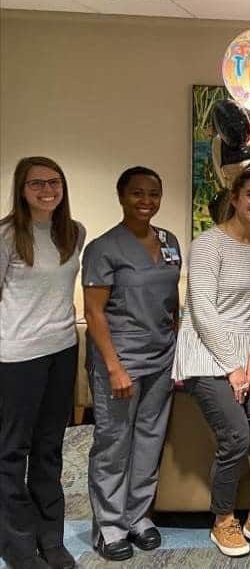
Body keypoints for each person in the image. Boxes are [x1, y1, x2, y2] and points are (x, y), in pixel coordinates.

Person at [172, 170, 250, 558]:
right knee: (237, 434)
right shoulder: (208, 245)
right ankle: (223, 519)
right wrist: (232, 367)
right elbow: (203, 312)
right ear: (235, 198)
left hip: (248, 353)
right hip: (205, 352)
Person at [82, 167, 181, 561]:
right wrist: (114, 366)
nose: (146, 201)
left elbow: (172, 300)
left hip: (162, 357)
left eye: (153, 193)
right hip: (120, 360)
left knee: (149, 439)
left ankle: (138, 516)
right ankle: (108, 525)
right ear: (121, 196)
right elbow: (94, 314)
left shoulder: (170, 241)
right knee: (113, 442)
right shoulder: (104, 248)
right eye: (137, 193)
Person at [0, 157, 84, 569]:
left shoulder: (73, 232)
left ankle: (50, 538)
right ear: (22, 189)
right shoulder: (6, 236)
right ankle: (17, 545)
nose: (47, 190)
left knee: (50, 448)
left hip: (62, 350)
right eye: (37, 184)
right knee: (12, 452)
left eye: (54, 182)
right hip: (16, 356)